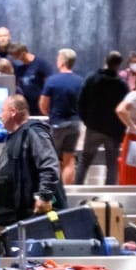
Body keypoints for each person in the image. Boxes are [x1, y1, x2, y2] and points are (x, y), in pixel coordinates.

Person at [0, 94, 66, 229]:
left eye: (2, 111)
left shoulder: (34, 132)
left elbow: (49, 164)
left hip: (37, 215)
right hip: (18, 216)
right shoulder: (15, 136)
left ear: (13, 111)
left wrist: (44, 196)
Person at [76, 51, 128, 186]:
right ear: (119, 65)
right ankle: (110, 193)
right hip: (113, 131)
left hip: (93, 128)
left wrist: (87, 121)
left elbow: (81, 102)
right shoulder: (121, 85)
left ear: (106, 60)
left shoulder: (92, 79)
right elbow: (125, 107)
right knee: (112, 164)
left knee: (85, 161)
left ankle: (77, 187)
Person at [38, 48, 84, 185]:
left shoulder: (52, 80)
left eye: (58, 58)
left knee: (54, 159)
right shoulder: (80, 81)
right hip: (75, 124)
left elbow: (43, 103)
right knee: (69, 159)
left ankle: (55, 191)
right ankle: (67, 192)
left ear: (63, 61)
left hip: (57, 124)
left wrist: (49, 113)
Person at [10, 43, 53, 116]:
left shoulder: (41, 64)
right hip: (25, 106)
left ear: (23, 54)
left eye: (17, 57)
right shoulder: (19, 67)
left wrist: (45, 102)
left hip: (39, 105)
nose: (16, 60)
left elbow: (49, 83)